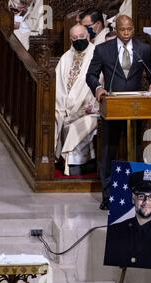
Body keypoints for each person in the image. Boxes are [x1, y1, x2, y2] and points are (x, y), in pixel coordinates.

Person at [86, 15, 151, 210]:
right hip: (112, 106)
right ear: (116, 29)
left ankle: (135, 193)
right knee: (109, 150)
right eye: (122, 29)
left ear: (133, 27)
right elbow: (91, 75)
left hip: (136, 107)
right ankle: (109, 196)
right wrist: (98, 89)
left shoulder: (143, 49)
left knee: (136, 149)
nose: (126, 33)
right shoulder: (103, 50)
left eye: (129, 29)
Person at [55, 25, 98, 176]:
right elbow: (58, 85)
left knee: (80, 125)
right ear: (70, 39)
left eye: (81, 37)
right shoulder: (66, 57)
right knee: (53, 116)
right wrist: (62, 107)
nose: (79, 40)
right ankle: (53, 158)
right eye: (75, 38)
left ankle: (77, 164)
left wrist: (90, 105)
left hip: (88, 108)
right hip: (65, 107)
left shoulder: (97, 54)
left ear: (88, 36)